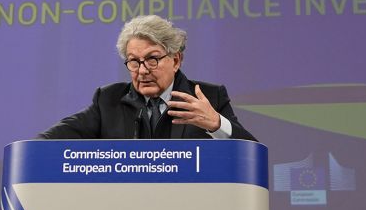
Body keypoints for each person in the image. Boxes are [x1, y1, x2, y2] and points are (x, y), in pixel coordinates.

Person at [40, 15, 255, 140]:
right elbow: (48, 140)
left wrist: (217, 124)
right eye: (134, 61)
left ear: (176, 60)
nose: (142, 70)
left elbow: (251, 152)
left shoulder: (209, 98)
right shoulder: (108, 100)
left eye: (152, 59)